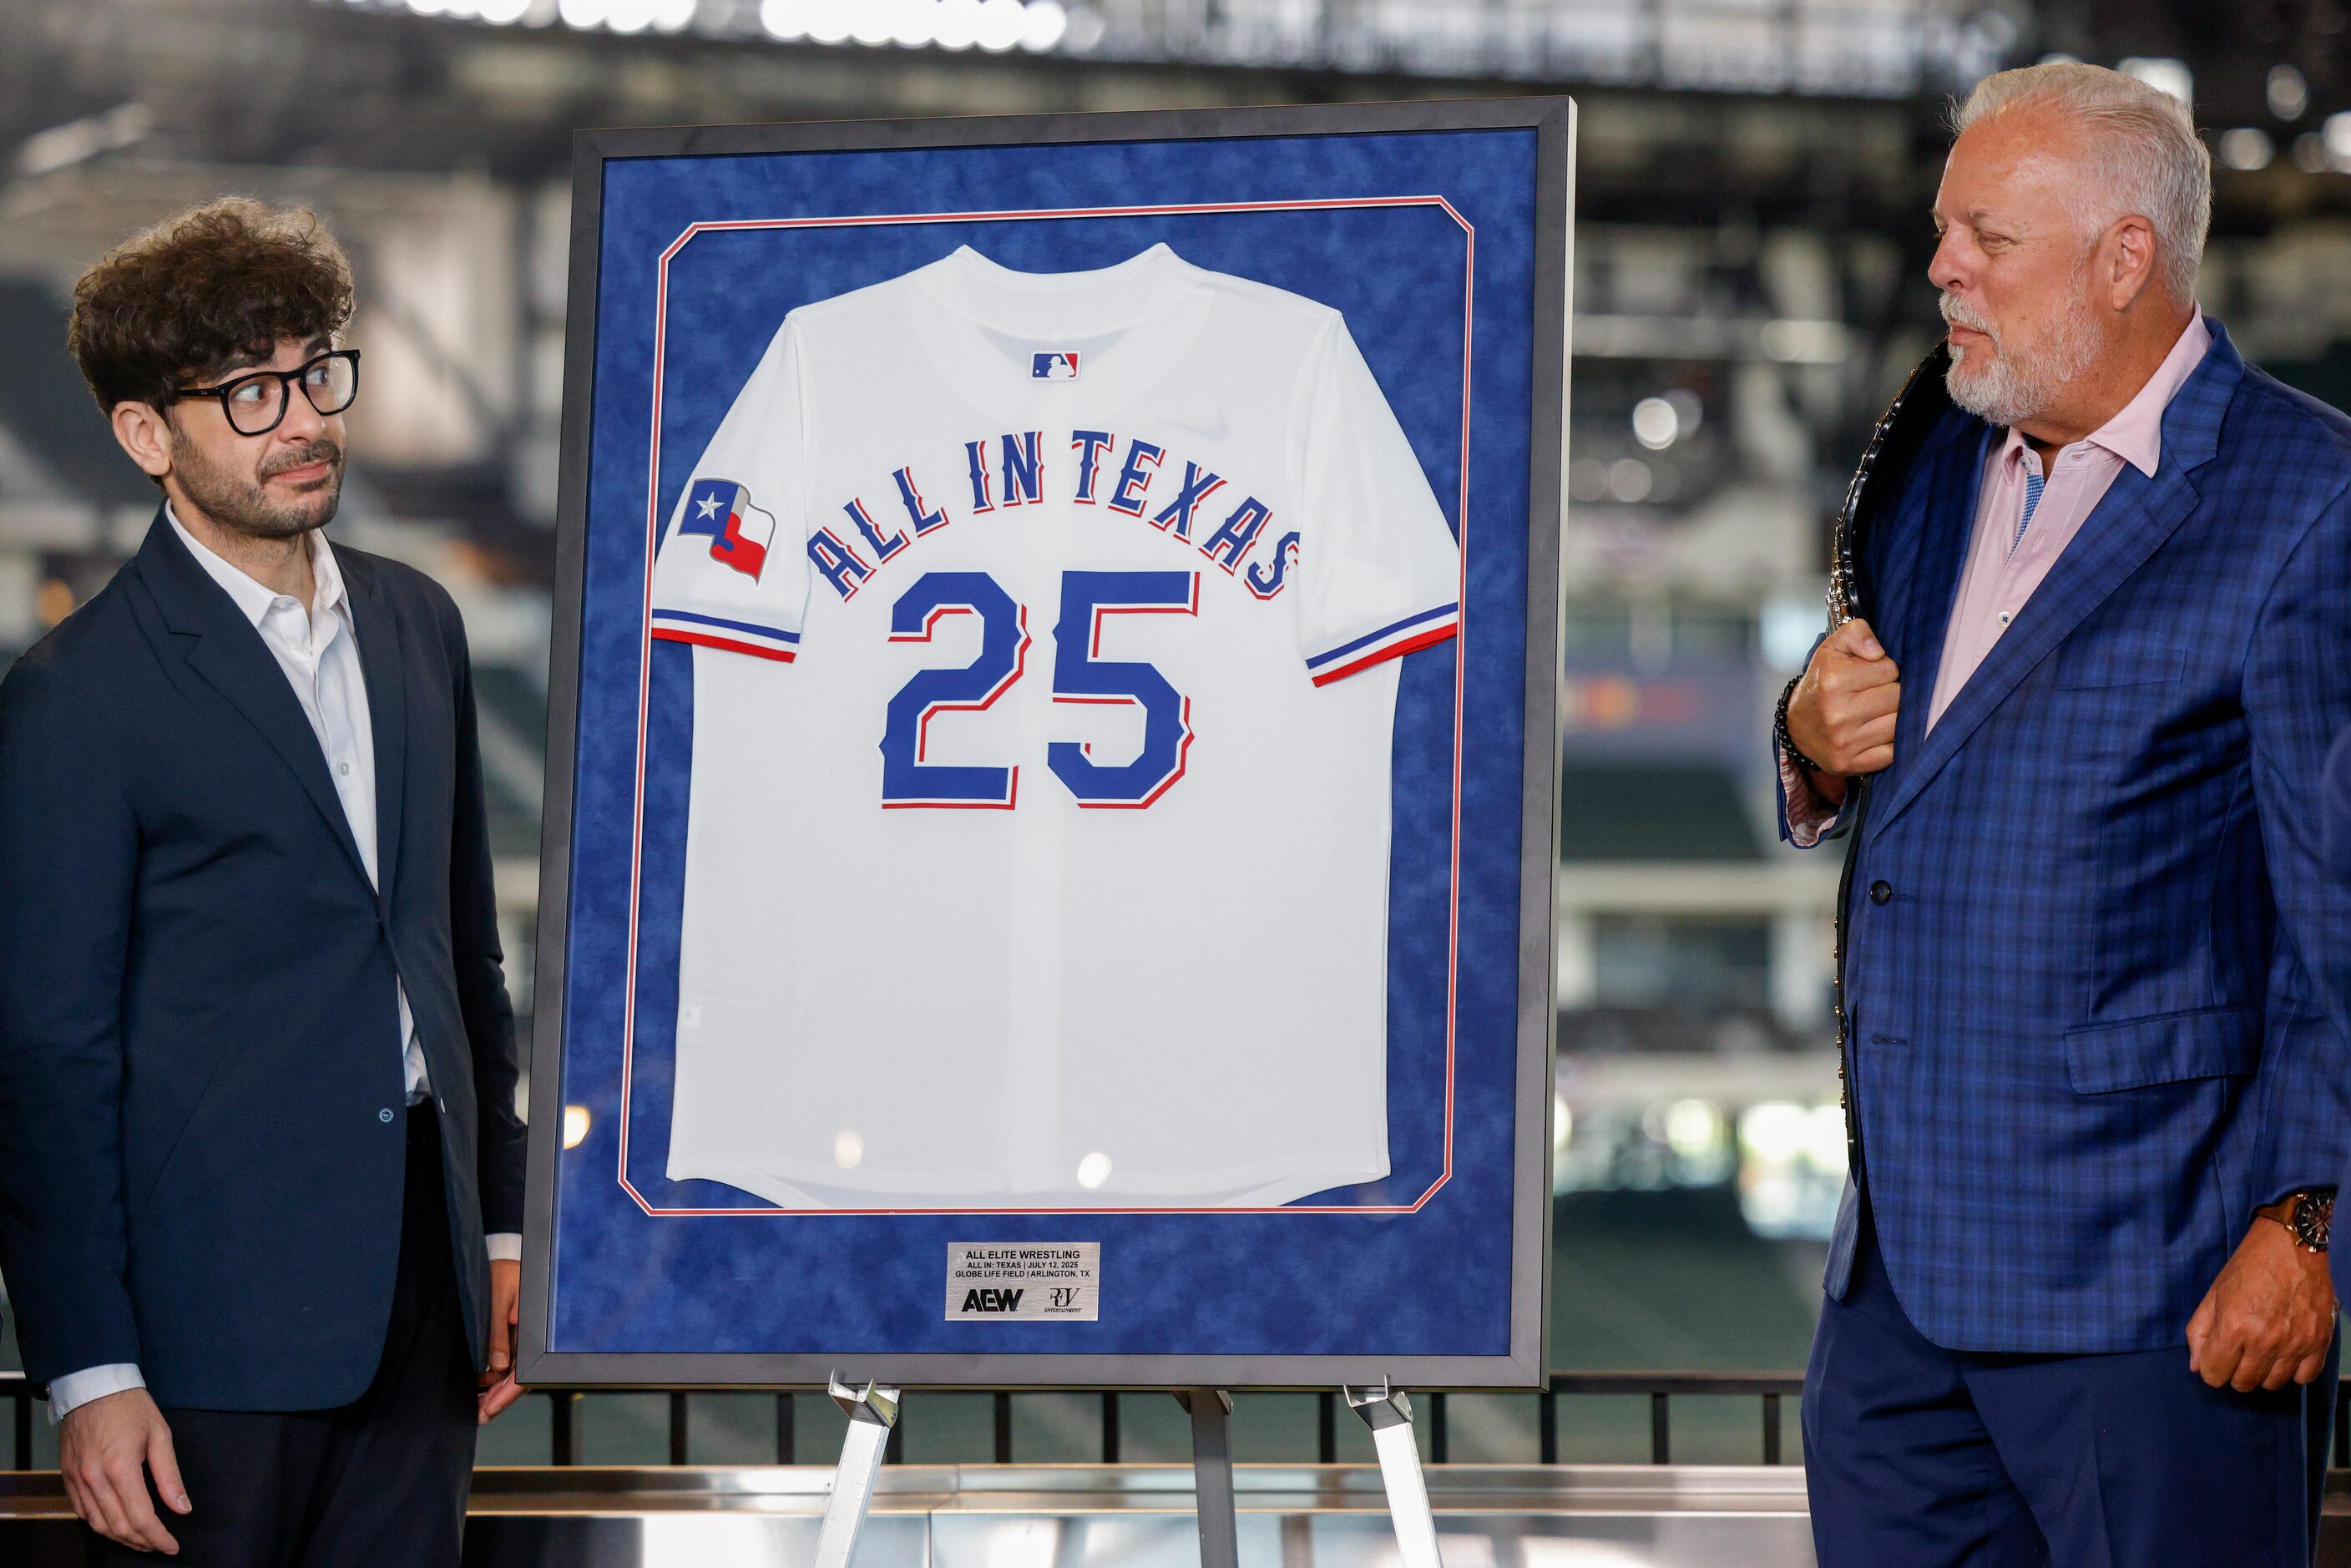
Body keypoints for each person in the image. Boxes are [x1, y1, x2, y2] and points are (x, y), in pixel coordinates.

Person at [1780, 63, 2351, 1565]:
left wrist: (2312, 1220)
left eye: (1987, 236)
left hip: (2151, 1305)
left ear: (2123, 259)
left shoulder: (2310, 502)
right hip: (1896, 1313)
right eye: (1942, 229)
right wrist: (1808, 737)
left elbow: (2341, 921)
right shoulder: (1930, 456)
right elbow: (1915, 742)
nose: (1940, 267)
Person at [0, 199, 528, 1562]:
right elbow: (49, 1059)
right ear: (144, 435)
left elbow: (463, 957)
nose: (300, 418)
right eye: (246, 392)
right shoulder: (77, 694)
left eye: (312, 372)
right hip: (208, 1335)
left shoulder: (419, 620)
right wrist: (92, 1371)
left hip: (426, 1291)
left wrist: (505, 1220)